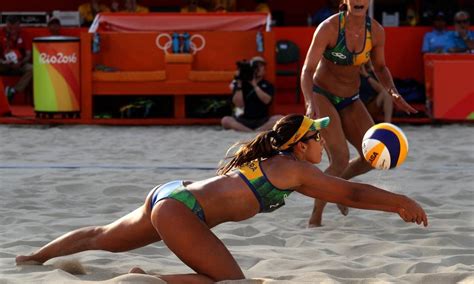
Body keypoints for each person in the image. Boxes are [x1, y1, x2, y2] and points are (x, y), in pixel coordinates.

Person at [15, 114, 428, 282]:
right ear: (300, 146)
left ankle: (32, 259)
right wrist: (399, 202)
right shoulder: (295, 169)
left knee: (98, 234)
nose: (322, 140)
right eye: (316, 136)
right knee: (230, 283)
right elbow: (351, 191)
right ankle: (145, 280)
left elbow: (347, 188)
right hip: (180, 213)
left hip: (171, 195)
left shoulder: (270, 158)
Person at [301, 0, 418, 227]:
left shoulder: (375, 31)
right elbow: (307, 70)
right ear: (345, 1)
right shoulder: (329, 28)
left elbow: (381, 68)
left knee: (371, 156)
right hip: (322, 95)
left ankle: (340, 185)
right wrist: (308, 103)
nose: (359, 1)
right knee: (340, 158)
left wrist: (393, 93)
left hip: (351, 99)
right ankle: (316, 217)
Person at [221, 56, 283, 132]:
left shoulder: (267, 85)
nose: (258, 69)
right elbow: (239, 104)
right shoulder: (241, 84)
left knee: (280, 118)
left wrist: (254, 85)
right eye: (256, 66)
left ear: (264, 70)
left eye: (261, 66)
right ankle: (249, 131)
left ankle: (257, 130)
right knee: (225, 120)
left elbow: (267, 101)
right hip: (243, 119)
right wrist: (239, 84)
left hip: (262, 120)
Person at [0, 15, 33, 103]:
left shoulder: (25, 34)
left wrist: (21, 63)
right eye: (9, 26)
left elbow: (28, 54)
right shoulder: (1, 33)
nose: (12, 28)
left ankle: (13, 90)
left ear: (19, 25)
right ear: (6, 24)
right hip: (4, 64)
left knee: (31, 68)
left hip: (20, 63)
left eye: (15, 25)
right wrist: (3, 61)